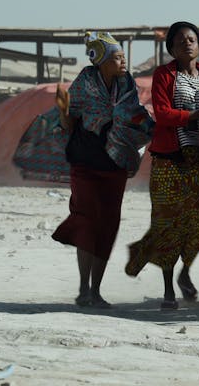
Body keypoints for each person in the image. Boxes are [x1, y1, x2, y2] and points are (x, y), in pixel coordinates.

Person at [125, 21, 199, 310]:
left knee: (195, 225)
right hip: (169, 160)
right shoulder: (163, 75)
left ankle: (183, 272)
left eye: (192, 39)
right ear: (171, 47)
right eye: (180, 40)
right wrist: (197, 116)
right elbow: (164, 114)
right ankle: (169, 288)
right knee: (168, 224)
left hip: (197, 163)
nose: (187, 44)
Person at [52, 31, 153, 308]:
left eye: (123, 57)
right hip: (85, 162)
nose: (123, 61)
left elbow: (135, 114)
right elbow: (70, 121)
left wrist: (147, 127)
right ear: (103, 61)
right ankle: (83, 288)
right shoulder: (85, 81)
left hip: (115, 163)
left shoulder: (127, 84)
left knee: (108, 225)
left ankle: (96, 290)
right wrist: (63, 111)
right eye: (118, 57)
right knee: (87, 220)